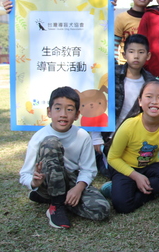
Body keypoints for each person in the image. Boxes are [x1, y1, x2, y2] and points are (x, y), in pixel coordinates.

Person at [19, 86, 110, 228]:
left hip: (71, 179)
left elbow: (88, 170)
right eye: (58, 109)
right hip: (47, 181)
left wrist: (77, 189)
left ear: (77, 115)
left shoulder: (83, 136)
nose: (63, 114)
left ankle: (47, 198)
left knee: (101, 209)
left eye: (69, 109)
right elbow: (25, 174)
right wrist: (34, 183)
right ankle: (56, 206)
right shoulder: (39, 137)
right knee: (51, 142)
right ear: (49, 112)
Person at [103, 80, 159, 213]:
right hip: (125, 167)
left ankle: (134, 188)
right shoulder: (129, 125)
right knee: (122, 206)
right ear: (140, 101)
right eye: (149, 97)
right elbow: (113, 158)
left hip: (149, 166)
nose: (154, 102)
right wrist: (136, 176)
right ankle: (118, 187)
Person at [114, 0, 152, 64]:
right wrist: (116, 65)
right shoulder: (121, 18)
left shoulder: (154, 18)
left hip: (148, 67)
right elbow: (114, 45)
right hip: (125, 67)